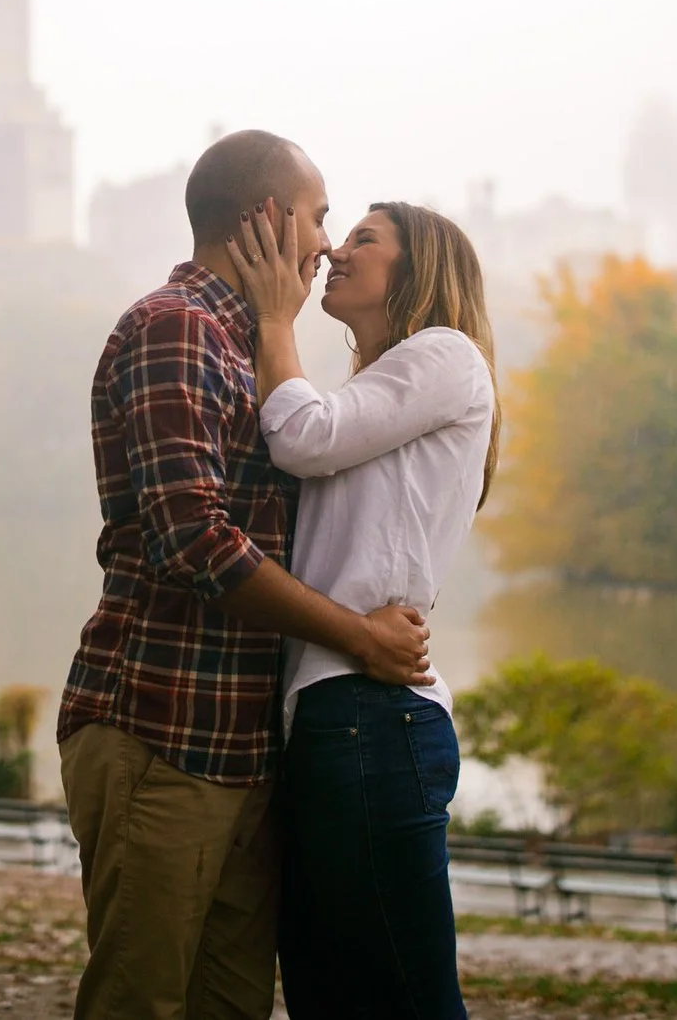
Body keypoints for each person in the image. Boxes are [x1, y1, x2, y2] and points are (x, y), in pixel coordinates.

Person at [57, 130, 438, 1020]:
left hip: (242, 749)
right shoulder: (173, 327)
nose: (327, 247)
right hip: (161, 730)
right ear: (262, 220)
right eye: (317, 219)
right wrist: (359, 638)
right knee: (140, 1002)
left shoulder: (254, 351)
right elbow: (197, 540)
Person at [226, 197, 499, 1020]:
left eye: (364, 239)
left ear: (419, 270)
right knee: (328, 1000)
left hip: (374, 723)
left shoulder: (445, 355)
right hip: (330, 720)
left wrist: (276, 317)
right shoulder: (379, 388)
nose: (337, 252)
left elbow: (302, 436)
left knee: (408, 1002)